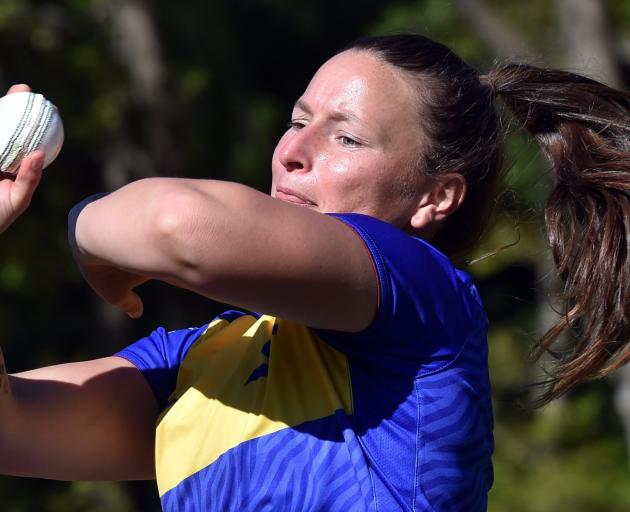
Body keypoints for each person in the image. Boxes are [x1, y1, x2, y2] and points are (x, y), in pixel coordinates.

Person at [1, 33, 629, 511]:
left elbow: (176, 227)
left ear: (435, 198)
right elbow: (12, 430)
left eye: (346, 139)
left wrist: (83, 230)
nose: (293, 152)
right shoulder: (206, 358)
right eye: (299, 122)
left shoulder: (424, 299)